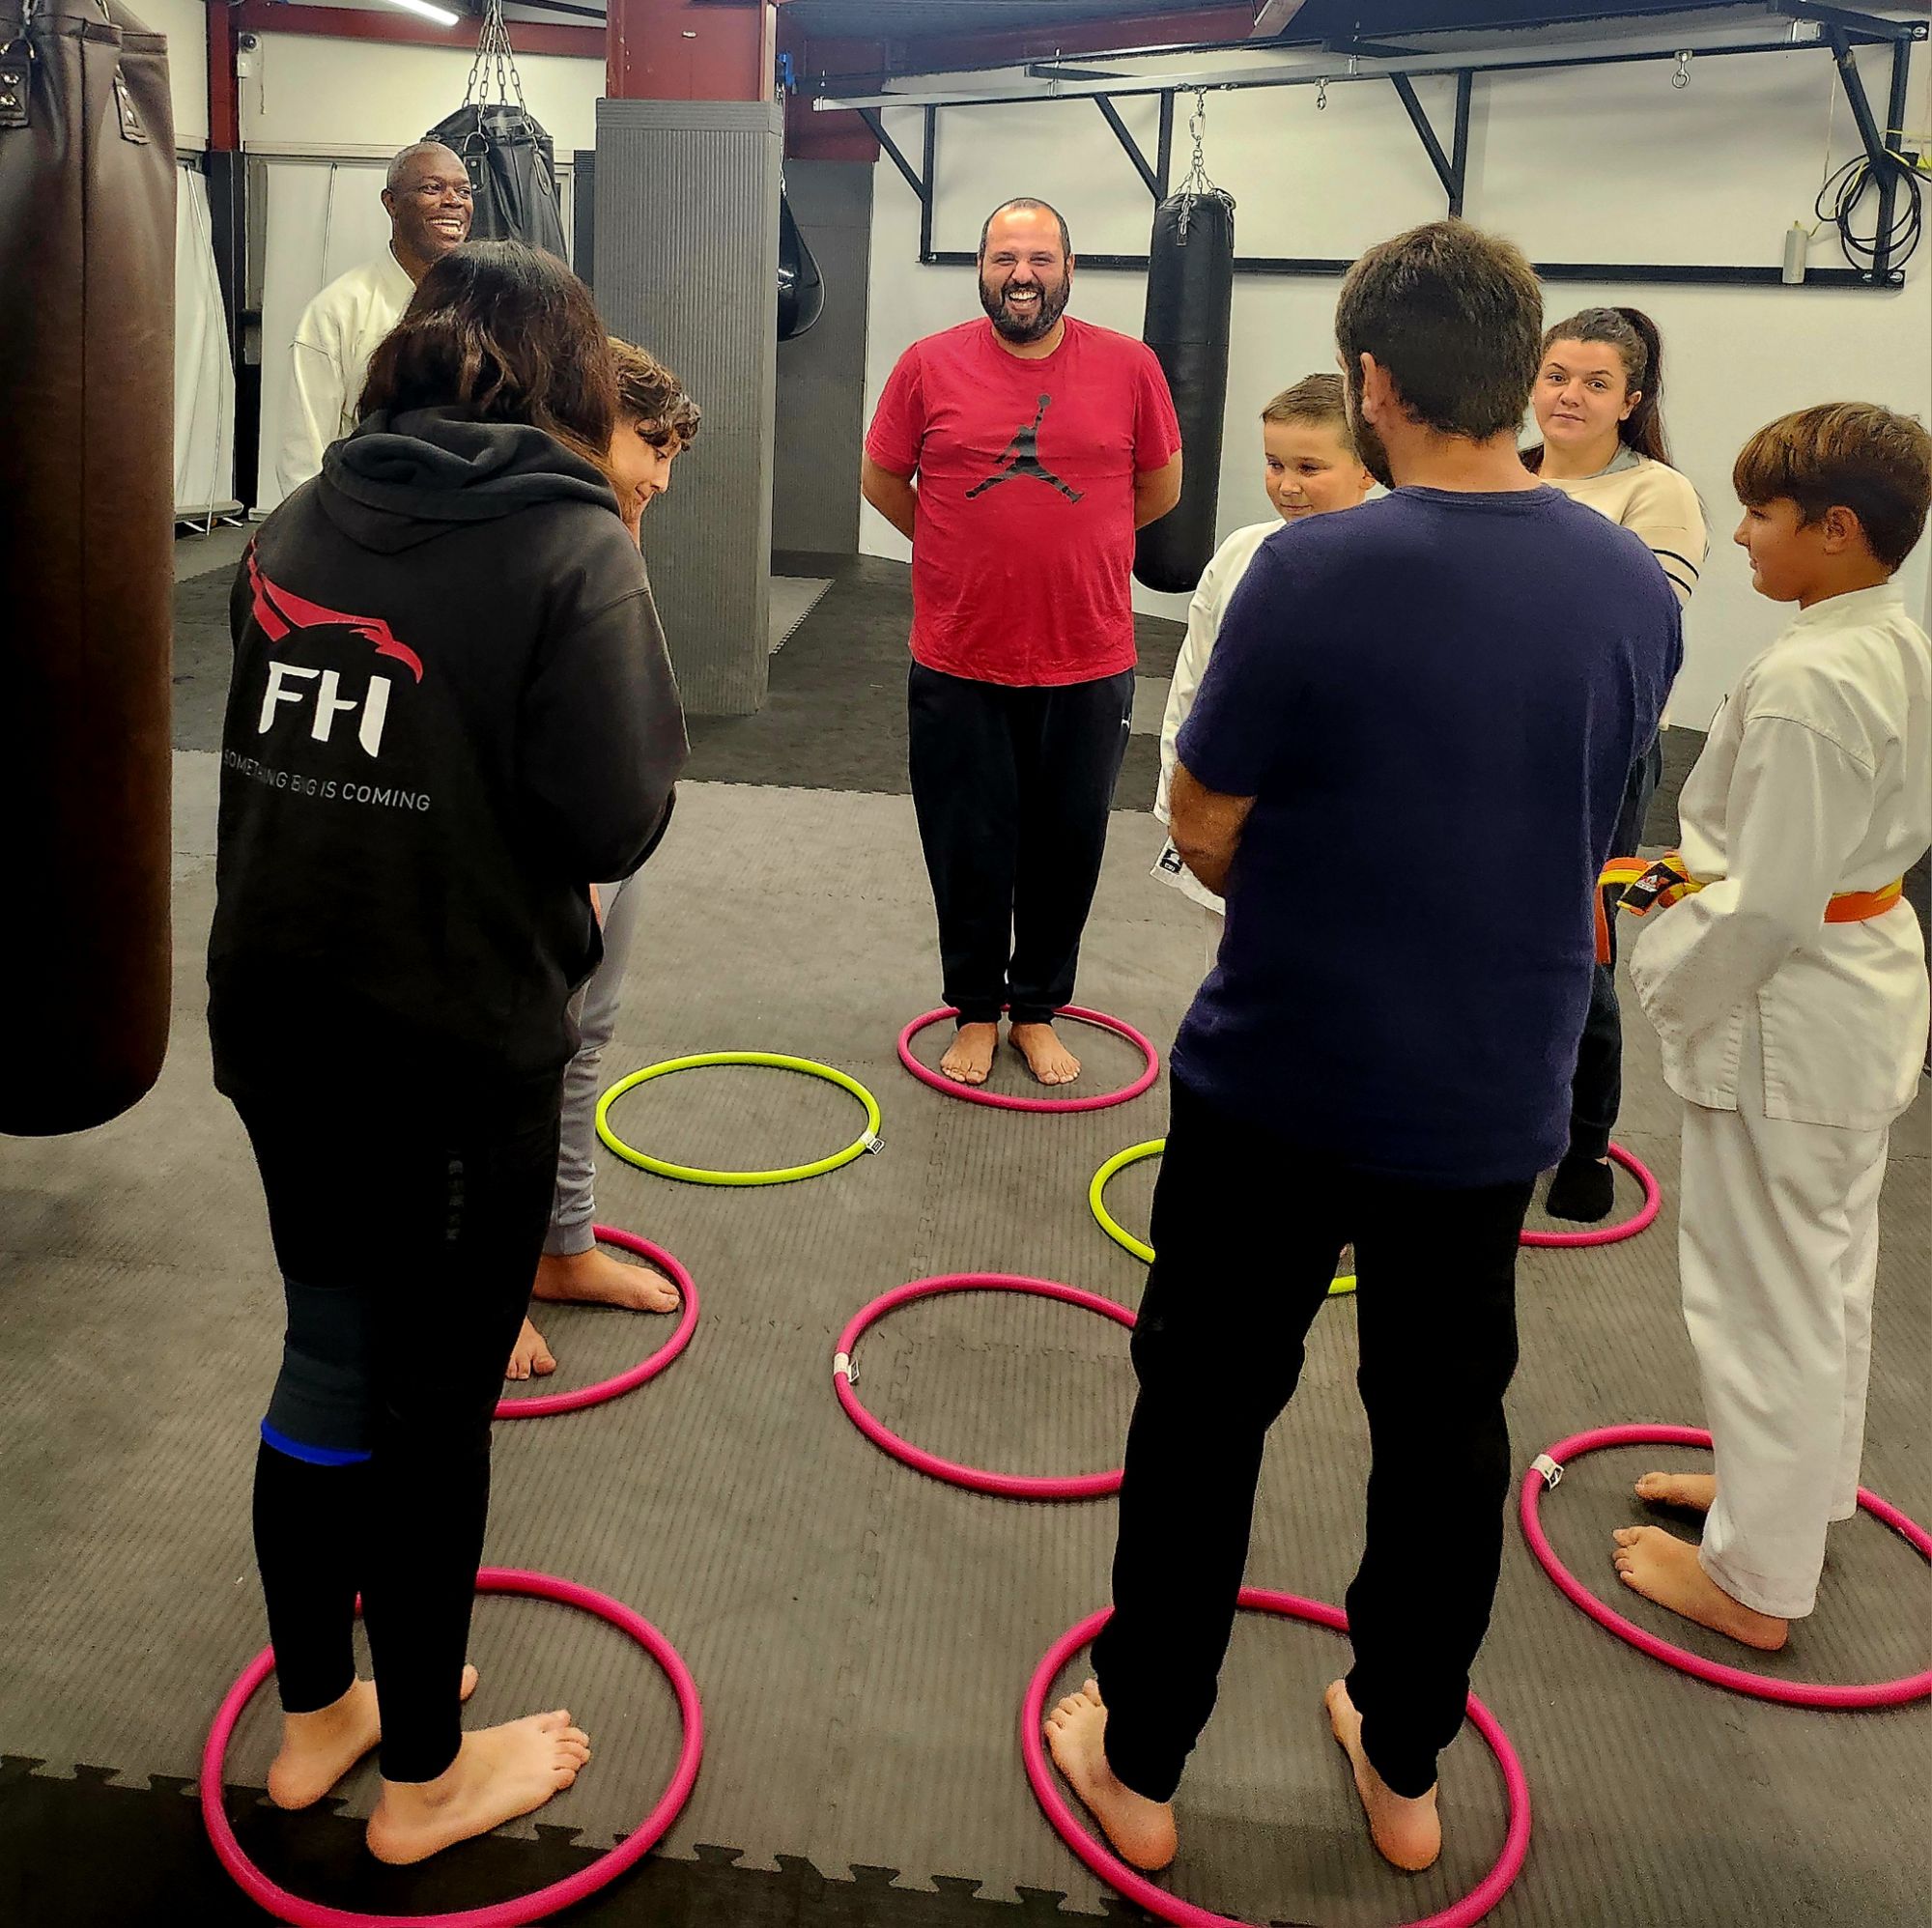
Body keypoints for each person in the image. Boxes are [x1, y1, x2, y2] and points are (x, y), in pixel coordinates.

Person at [1042, 220, 1680, 1878]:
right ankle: (1406, 1763)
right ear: (1521, 374)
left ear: (1376, 384)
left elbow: (1200, 817)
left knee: (1203, 1413)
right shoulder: (1631, 583)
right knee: (1443, 1426)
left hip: (1285, 1074)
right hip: (1492, 1089)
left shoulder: (1311, 570)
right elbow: (1590, 816)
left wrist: (1332, 888)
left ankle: (1142, 1755)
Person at [208, 241, 688, 1864]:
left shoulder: (300, 519)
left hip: (280, 1022)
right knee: (432, 1412)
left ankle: (319, 1714)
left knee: (327, 1358)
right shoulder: (570, 543)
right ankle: (422, 1778)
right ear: (572, 377)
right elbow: (614, 818)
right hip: (451, 1052)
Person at [1614, 402, 1930, 1650]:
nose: (1740, 534)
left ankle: (1752, 1579)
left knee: (1761, 1301)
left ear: (1835, 528)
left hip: (1790, 1008)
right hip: (1855, 984)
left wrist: (1667, 979)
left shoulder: (1809, 680)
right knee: (1825, 1273)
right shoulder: (1886, 635)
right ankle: (1791, 1497)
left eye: (1760, 513)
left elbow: (1767, 906)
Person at [861, 198, 1182, 1088]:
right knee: (968, 842)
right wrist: (955, 547)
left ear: (1069, 269)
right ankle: (974, 1009)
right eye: (1005, 258)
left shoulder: (1130, 366)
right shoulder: (929, 365)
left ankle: (1036, 1010)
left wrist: (1086, 545)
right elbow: (883, 478)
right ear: (982, 268)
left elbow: (1160, 486)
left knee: (1065, 846)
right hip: (960, 652)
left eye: (1040, 258)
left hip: (1089, 653)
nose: (1022, 275)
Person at [507, 339, 701, 1383]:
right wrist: (574, 853)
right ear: (583, 426)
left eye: (671, 455)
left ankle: (563, 1245)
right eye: (649, 447)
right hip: (541, 837)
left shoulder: (607, 526)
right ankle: (486, 1286)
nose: (660, 475)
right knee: (514, 1059)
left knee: (585, 1039)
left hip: (615, 820)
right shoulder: (524, 532)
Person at [1526, 307, 1709, 1219]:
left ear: (1630, 401)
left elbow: (1631, 635)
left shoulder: (1656, 494)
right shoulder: (1507, 473)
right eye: (1557, 375)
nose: (1570, 395)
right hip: (1495, 738)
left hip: (1602, 748)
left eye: (1596, 383)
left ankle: (1587, 1141)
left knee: (1580, 938)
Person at [1153, 374, 1375, 961]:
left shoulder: (1389, 571)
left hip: (1333, 822)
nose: (1288, 485)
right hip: (1231, 807)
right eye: (1275, 465)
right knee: (1228, 965)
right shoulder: (1239, 553)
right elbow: (1192, 685)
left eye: (1309, 467)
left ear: (1367, 468)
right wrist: (1177, 798)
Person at [274, 142, 474, 497]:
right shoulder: (337, 311)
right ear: (391, 203)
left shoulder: (484, 304)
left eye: (464, 191)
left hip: (468, 511)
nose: (453, 201)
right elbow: (302, 454)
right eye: (433, 188)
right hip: (368, 512)